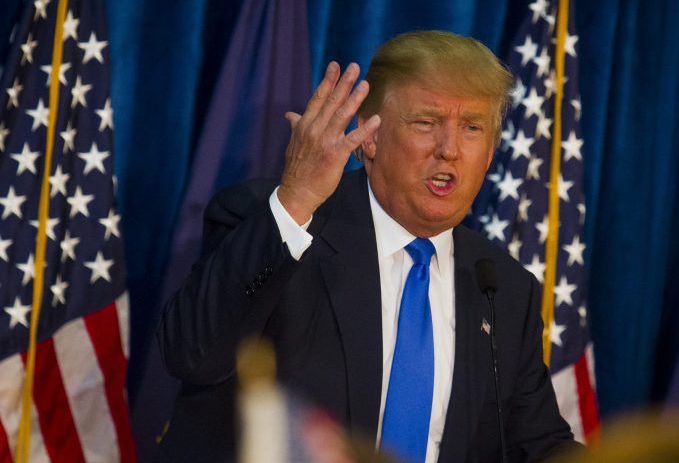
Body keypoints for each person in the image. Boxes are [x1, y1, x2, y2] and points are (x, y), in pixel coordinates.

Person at [157, 30, 578, 462]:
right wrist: (295, 201)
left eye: (472, 128)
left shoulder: (504, 288)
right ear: (369, 137)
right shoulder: (277, 225)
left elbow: (538, 444)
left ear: (490, 153)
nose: (449, 149)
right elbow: (194, 354)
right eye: (426, 123)